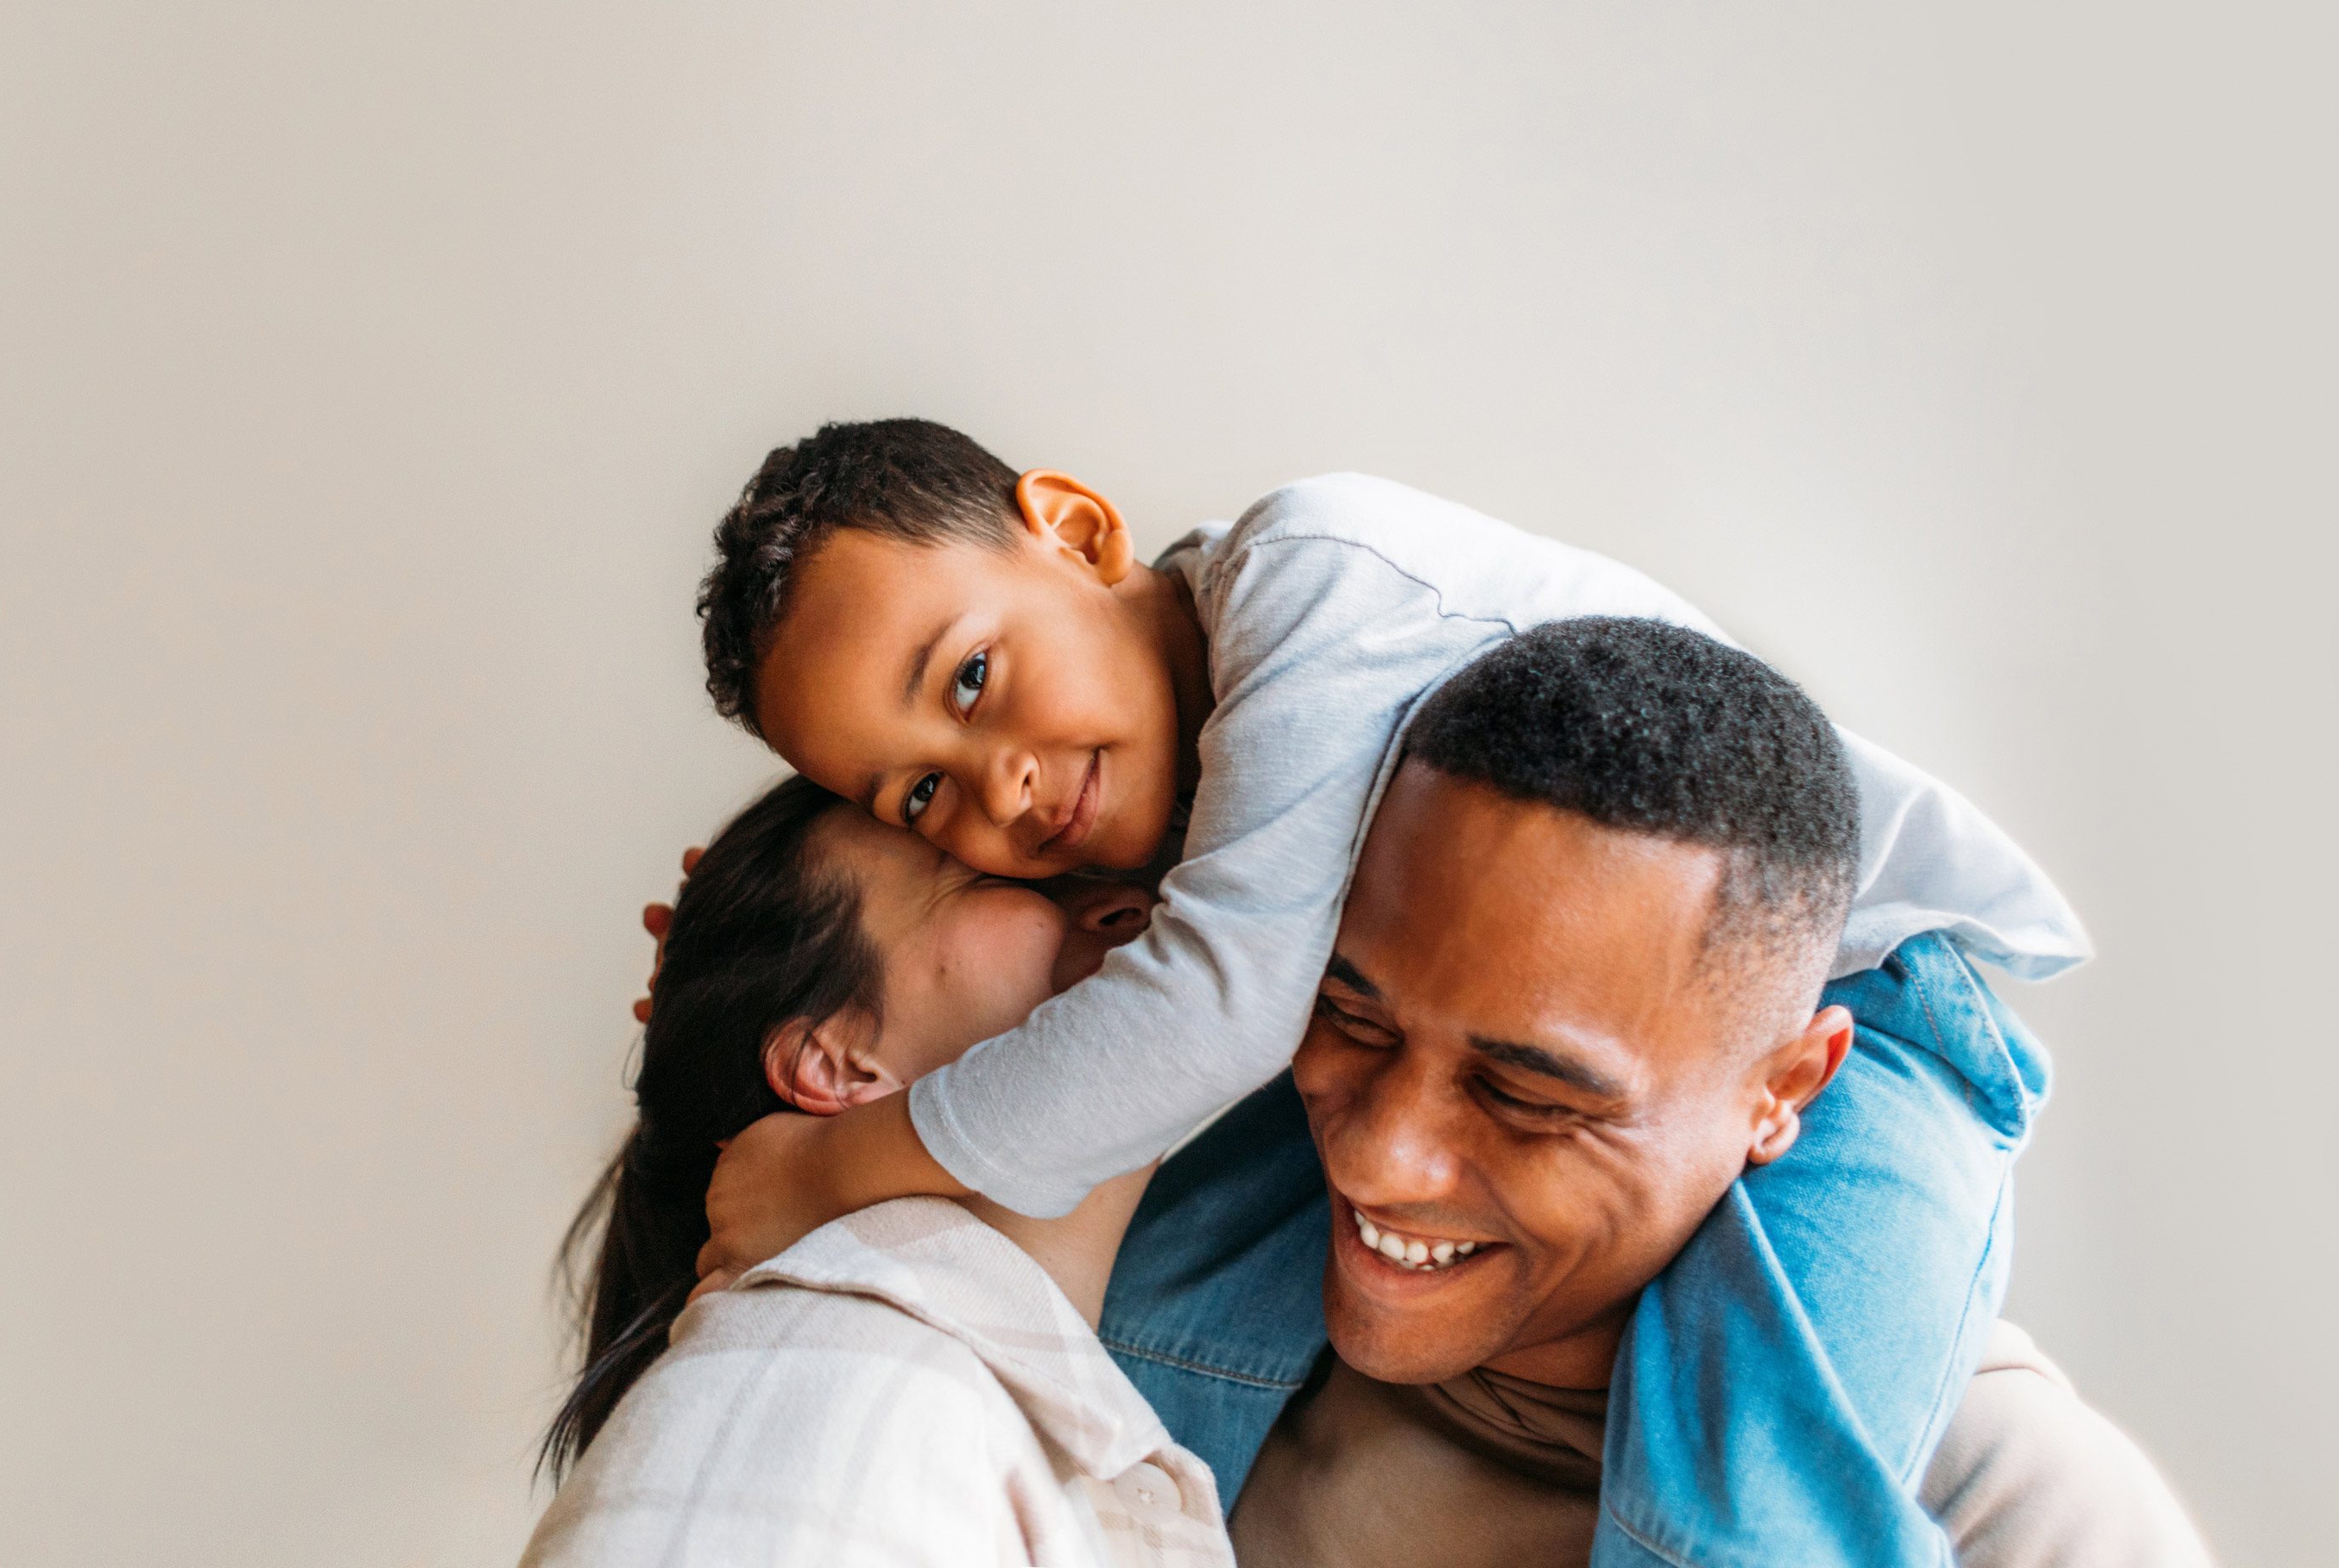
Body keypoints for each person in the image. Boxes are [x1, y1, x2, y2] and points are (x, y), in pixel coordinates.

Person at [686, 419, 2090, 1563]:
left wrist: (836, 1165)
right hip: (1474, 1063)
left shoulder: (1315, 585)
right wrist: (735, 958)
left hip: (1867, 1010)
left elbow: (1205, 1009)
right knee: (1126, 1337)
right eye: (921, 794)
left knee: (1750, 1505)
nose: (1002, 785)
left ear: (1079, 528)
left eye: (977, 678)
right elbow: (1115, 987)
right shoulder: (1132, 773)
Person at [1222, 620, 2209, 1566]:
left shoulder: (2007, 1505)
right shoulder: (1178, 1310)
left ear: (1785, 1090)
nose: (1376, 1156)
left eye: (1525, 1094)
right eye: (1353, 1021)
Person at [524, 776, 1232, 1567]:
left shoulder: (982, 1409)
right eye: (993, 879)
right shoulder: (818, 1396)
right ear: (837, 1064)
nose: (1134, 901)